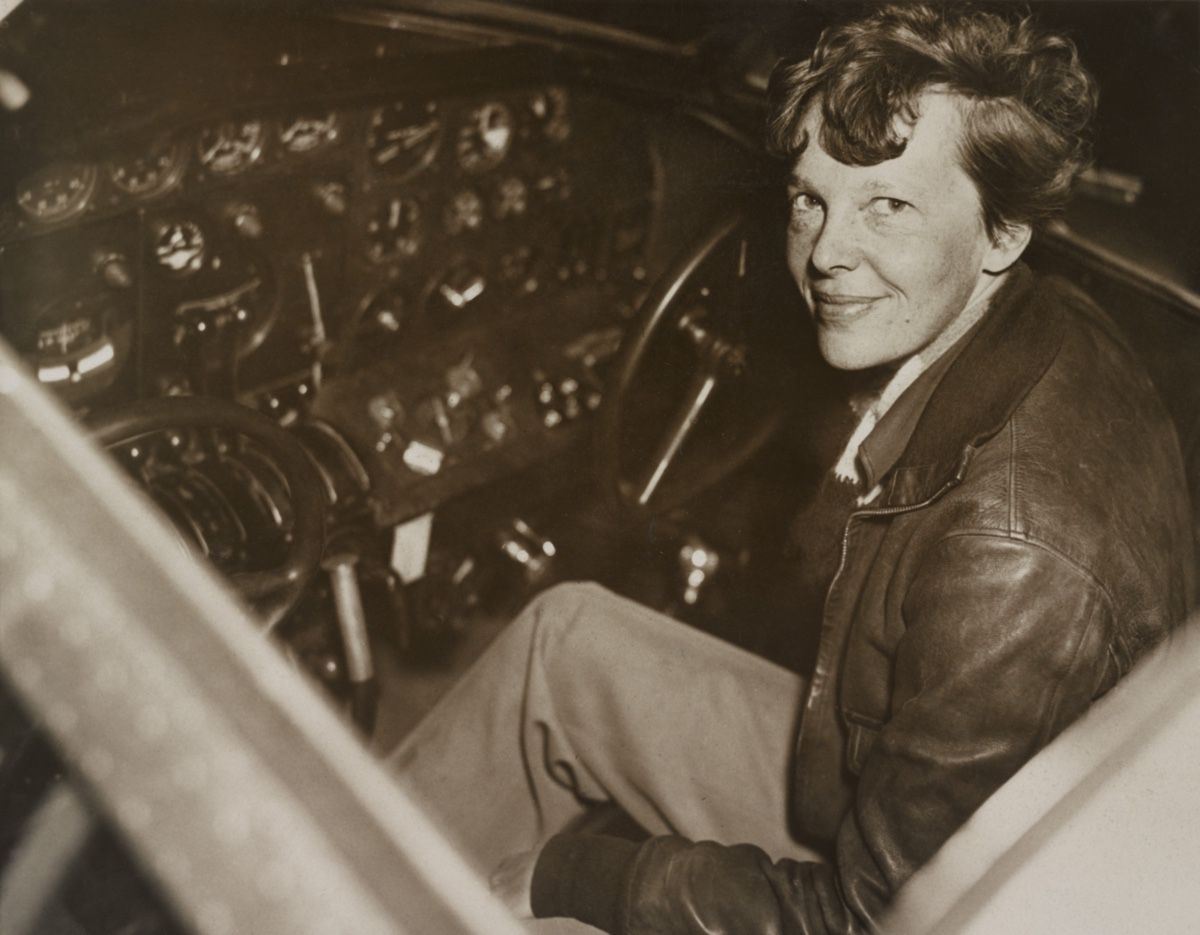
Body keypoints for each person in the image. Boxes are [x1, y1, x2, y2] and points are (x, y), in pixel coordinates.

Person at [389, 4, 1194, 932]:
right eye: (811, 199)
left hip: (958, 910)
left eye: (888, 205)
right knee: (561, 643)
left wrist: (577, 876)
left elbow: (871, 920)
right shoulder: (1034, 322)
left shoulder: (1014, 559)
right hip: (895, 788)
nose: (825, 253)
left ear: (1002, 232)